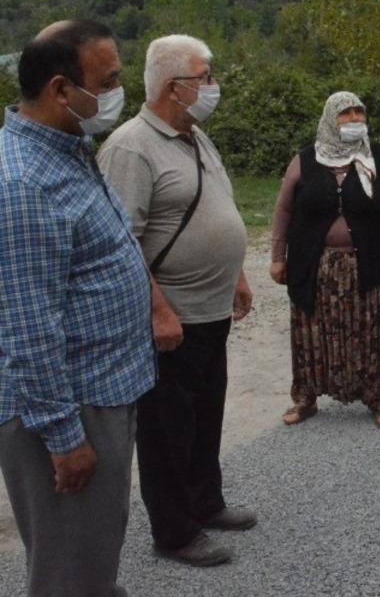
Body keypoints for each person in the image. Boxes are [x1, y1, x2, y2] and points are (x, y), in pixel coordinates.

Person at [0, 20, 155, 597]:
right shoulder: (23, 185)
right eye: (109, 80)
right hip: (68, 408)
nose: (119, 93)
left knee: (90, 551)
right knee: (68, 570)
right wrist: (64, 439)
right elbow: (27, 327)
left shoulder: (68, 150)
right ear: (62, 90)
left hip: (103, 390)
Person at [97, 34, 256, 567]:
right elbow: (120, 242)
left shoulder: (195, 137)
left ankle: (205, 503)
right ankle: (174, 531)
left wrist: (237, 274)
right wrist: (157, 311)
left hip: (211, 311)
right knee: (166, 429)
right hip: (172, 318)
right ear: (173, 87)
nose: (213, 86)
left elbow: (218, 207)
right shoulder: (129, 146)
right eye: (205, 77)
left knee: (205, 415)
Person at [270, 92, 380, 428]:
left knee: (373, 332)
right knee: (311, 333)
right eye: (346, 113)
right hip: (315, 267)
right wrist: (277, 257)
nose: (355, 118)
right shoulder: (305, 160)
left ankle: (379, 400)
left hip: (370, 265)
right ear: (331, 118)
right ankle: (305, 399)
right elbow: (284, 209)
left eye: (359, 112)